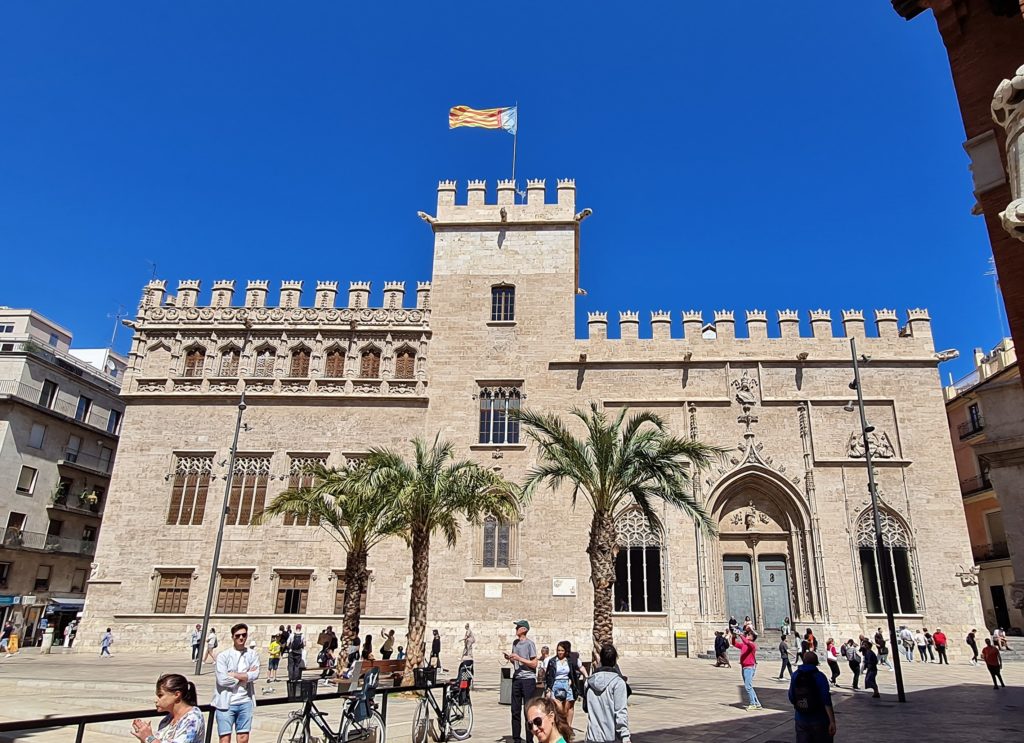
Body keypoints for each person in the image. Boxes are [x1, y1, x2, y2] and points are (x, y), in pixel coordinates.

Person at [212, 623, 260, 743]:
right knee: (225, 739)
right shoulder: (223, 656)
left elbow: (255, 674)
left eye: (244, 635)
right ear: (232, 637)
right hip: (226, 703)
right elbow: (222, 680)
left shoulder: (252, 654)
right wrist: (245, 676)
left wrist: (234, 675)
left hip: (245, 702)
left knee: (243, 738)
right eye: (238, 635)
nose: (241, 638)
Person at [131, 673, 205, 743]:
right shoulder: (167, 720)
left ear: (177, 695)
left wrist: (148, 737)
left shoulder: (192, 718)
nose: (156, 700)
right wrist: (143, 737)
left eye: (160, 695)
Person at [584, 644, 631, 743]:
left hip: (592, 736)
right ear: (614, 661)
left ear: (600, 659)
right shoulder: (618, 683)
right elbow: (620, 712)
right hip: (611, 737)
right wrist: (625, 736)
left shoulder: (589, 682)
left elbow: (586, 708)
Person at [788, 651, 836, 743]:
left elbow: (791, 697)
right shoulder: (820, 676)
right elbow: (826, 700)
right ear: (816, 663)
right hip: (819, 719)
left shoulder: (795, 675)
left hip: (801, 718)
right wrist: (832, 721)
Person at [506, 619, 539, 743]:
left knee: (528, 710)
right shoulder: (515, 643)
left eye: (518, 627)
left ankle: (530, 739)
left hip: (528, 680)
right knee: (515, 710)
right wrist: (511, 658)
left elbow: (534, 663)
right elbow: (516, 661)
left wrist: (520, 658)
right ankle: (516, 738)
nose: (516, 629)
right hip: (517, 678)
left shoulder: (530, 644)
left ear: (524, 630)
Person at [544, 640, 588, 728]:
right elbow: (548, 675)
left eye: (562, 650)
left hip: (567, 684)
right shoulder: (552, 661)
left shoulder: (570, 661)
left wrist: (586, 677)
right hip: (556, 684)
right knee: (559, 708)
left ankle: (568, 727)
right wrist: (548, 689)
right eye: (558, 650)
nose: (560, 652)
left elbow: (579, 668)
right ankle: (559, 726)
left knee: (569, 706)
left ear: (565, 651)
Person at [731, 627, 762, 710]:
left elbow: (746, 641)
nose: (747, 635)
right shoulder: (744, 645)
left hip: (749, 667)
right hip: (744, 667)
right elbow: (734, 644)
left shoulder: (752, 645)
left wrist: (741, 634)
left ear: (752, 637)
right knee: (749, 686)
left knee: (748, 686)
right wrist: (734, 636)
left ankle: (753, 703)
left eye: (749, 634)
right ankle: (757, 703)